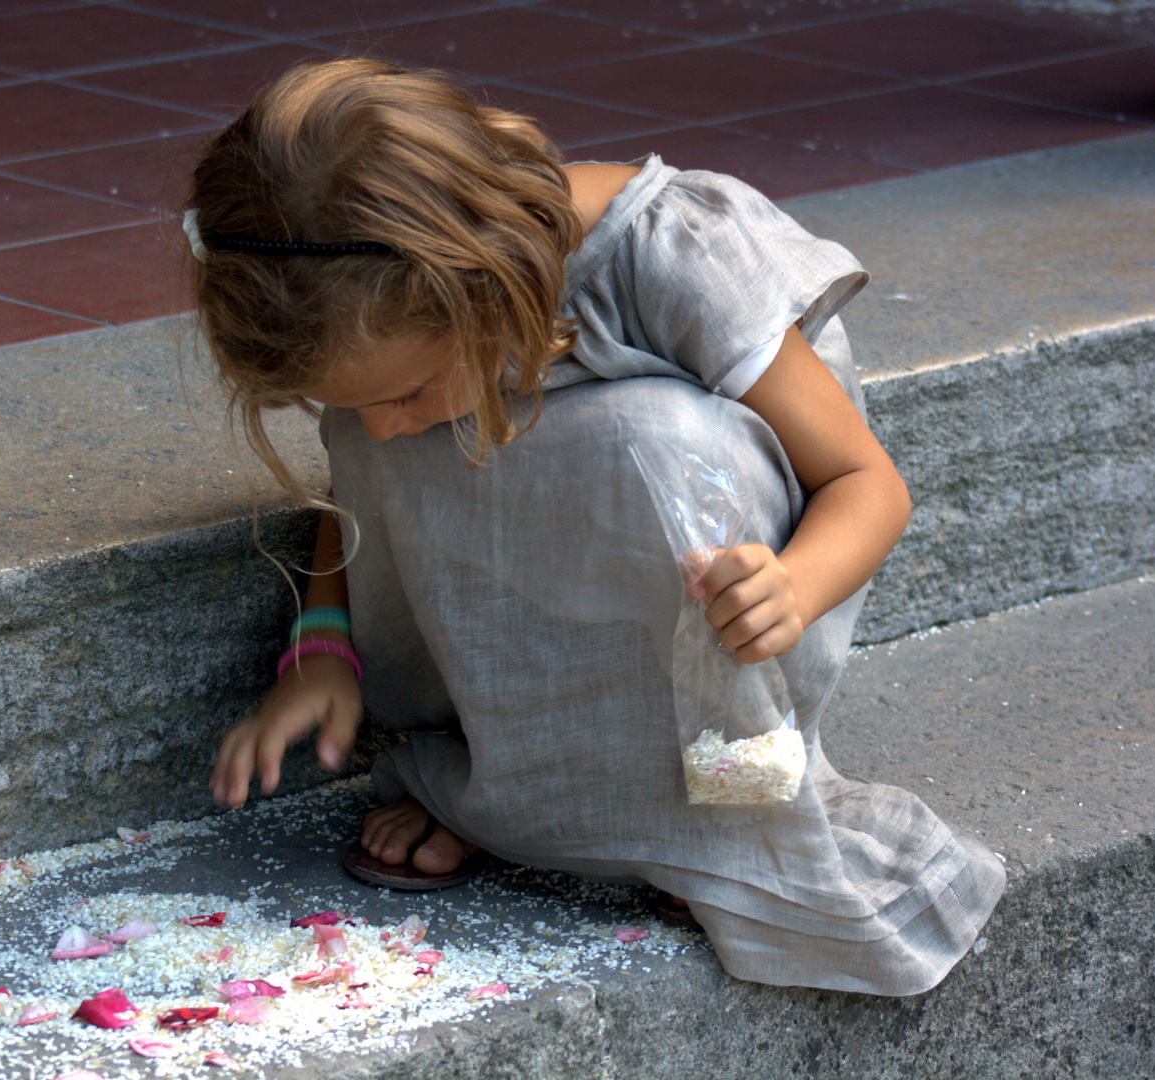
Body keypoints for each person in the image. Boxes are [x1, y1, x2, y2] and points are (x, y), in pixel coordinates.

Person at [187, 57, 1003, 996]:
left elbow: (867, 483)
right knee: (408, 438)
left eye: (406, 392)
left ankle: (712, 824)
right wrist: (322, 648)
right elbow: (355, 481)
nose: (378, 428)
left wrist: (793, 587)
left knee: (651, 444)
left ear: (488, 287)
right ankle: (503, 794)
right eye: (343, 407)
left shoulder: (668, 251)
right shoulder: (374, 323)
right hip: (507, 617)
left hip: (718, 626)